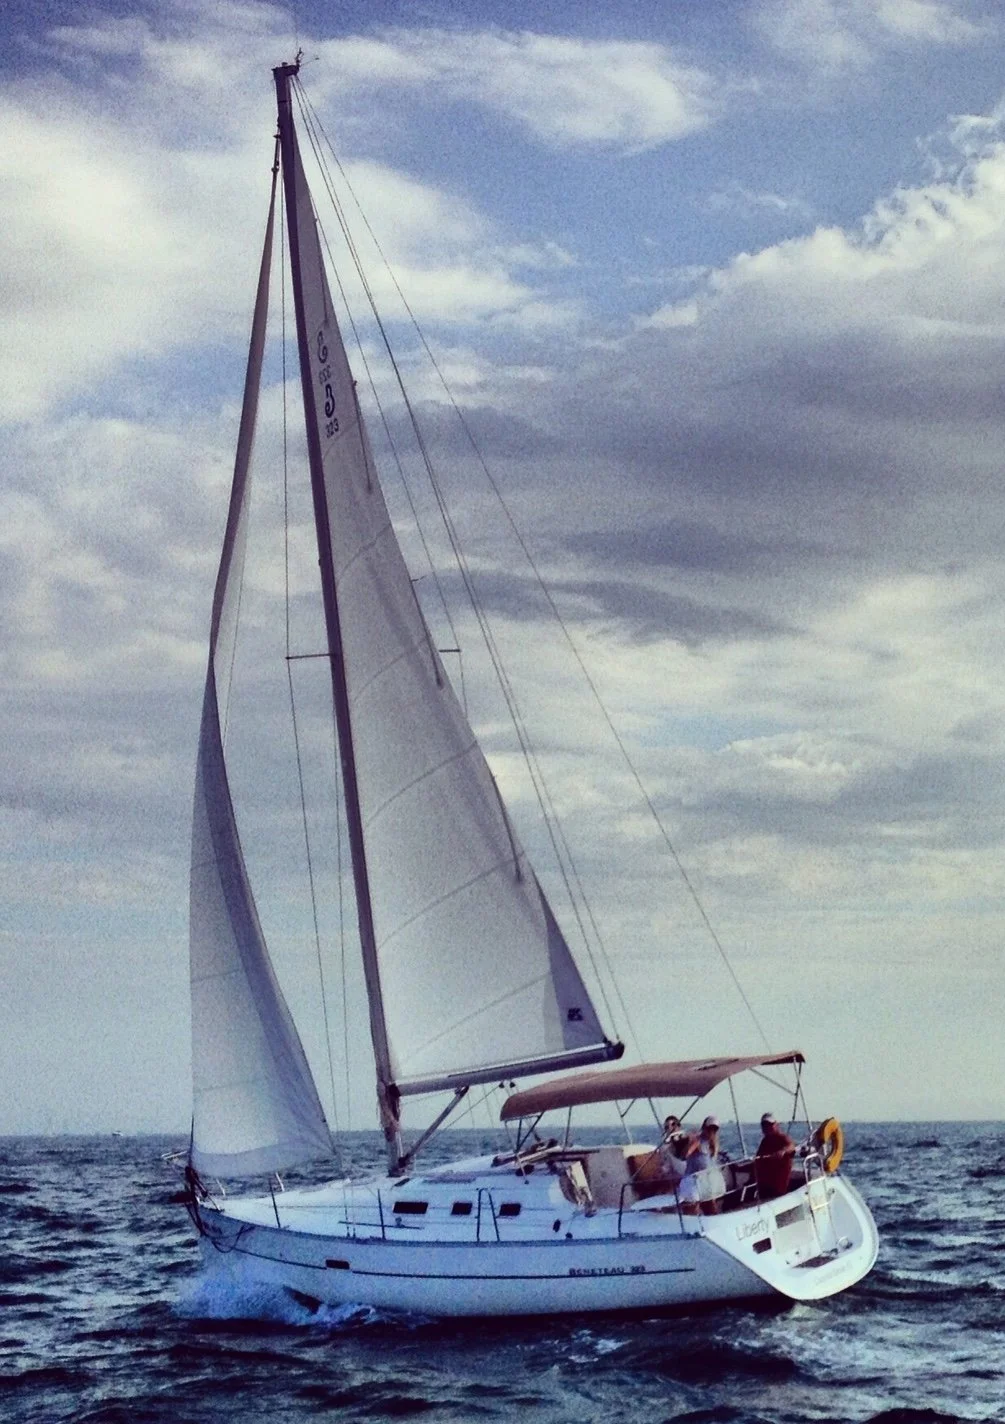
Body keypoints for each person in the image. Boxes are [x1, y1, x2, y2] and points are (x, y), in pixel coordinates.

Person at [680, 1115, 725, 1214]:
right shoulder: (697, 1141)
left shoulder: (714, 1143)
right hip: (693, 1180)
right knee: (692, 1211)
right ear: (704, 1128)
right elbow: (683, 1156)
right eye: (709, 1128)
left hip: (706, 1181)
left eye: (714, 1129)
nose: (711, 1131)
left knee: (712, 1209)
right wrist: (690, 1141)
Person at [755, 1112, 796, 1199]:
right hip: (764, 1185)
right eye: (764, 1125)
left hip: (779, 1186)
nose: (767, 1128)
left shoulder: (782, 1138)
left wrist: (783, 1151)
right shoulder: (765, 1142)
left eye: (770, 1125)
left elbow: (791, 1146)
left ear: (776, 1125)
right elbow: (758, 1159)